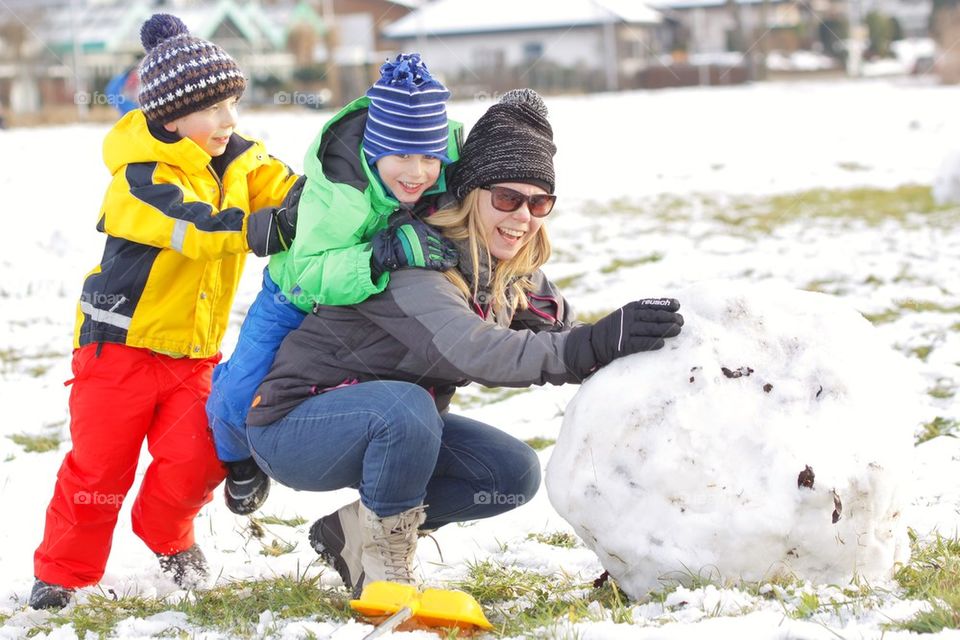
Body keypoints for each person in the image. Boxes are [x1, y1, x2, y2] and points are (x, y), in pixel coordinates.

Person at [244, 89, 685, 596]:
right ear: (471, 194)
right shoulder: (414, 259)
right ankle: (386, 573)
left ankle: (351, 533)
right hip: (295, 426)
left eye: (539, 202)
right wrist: (590, 345)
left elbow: (567, 337)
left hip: (394, 427)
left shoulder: (505, 270)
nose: (523, 215)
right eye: (506, 198)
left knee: (510, 472)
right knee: (406, 408)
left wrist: (627, 345)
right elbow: (479, 349)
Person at [29, 13, 300, 610]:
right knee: (100, 472)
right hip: (119, 349)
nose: (230, 120)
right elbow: (196, 228)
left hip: (191, 353)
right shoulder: (138, 180)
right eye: (214, 109)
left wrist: (333, 194)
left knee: (198, 457)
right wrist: (267, 230)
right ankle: (63, 573)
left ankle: (167, 536)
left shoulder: (240, 161)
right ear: (171, 118)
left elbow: (293, 190)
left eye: (234, 104)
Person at [206, 53, 460, 516]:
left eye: (430, 157)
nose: (419, 172)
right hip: (294, 297)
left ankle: (382, 462)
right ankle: (236, 453)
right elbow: (314, 273)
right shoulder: (340, 194)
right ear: (376, 150)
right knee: (245, 385)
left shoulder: (440, 155)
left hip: (355, 306)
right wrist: (382, 253)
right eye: (402, 156)